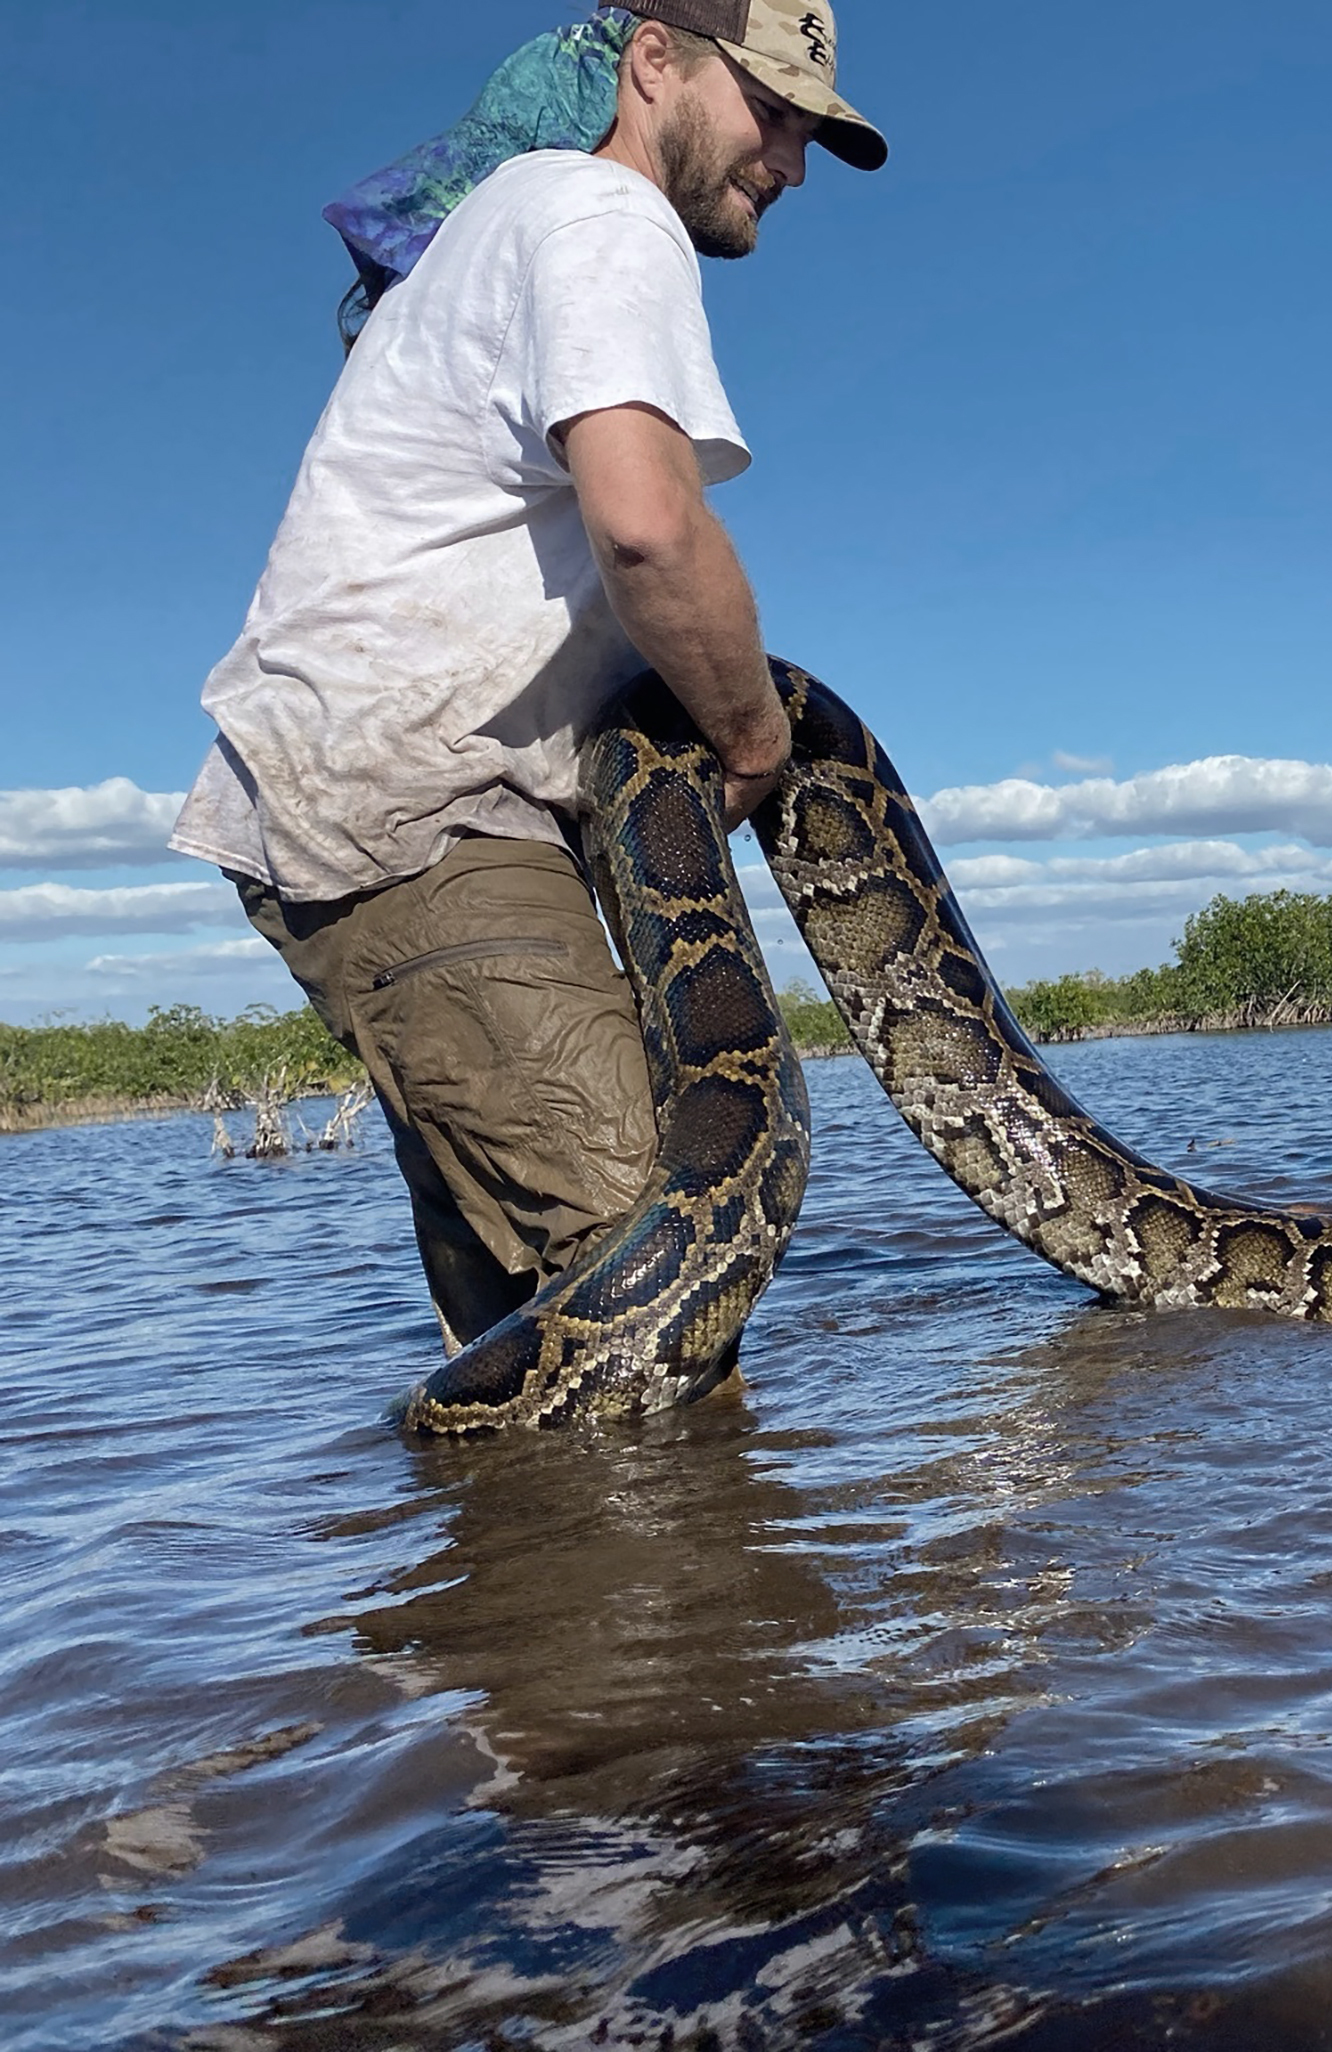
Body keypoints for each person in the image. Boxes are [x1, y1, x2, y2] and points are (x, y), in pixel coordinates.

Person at [168, 3, 888, 1348]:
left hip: (387, 797)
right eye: (768, 110)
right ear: (654, 63)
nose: (786, 160)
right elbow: (648, 525)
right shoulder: (603, 218)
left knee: (524, 1320)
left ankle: (503, 1558)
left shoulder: (514, 223)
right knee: (654, 1258)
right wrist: (747, 744)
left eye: (807, 132)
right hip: (429, 814)